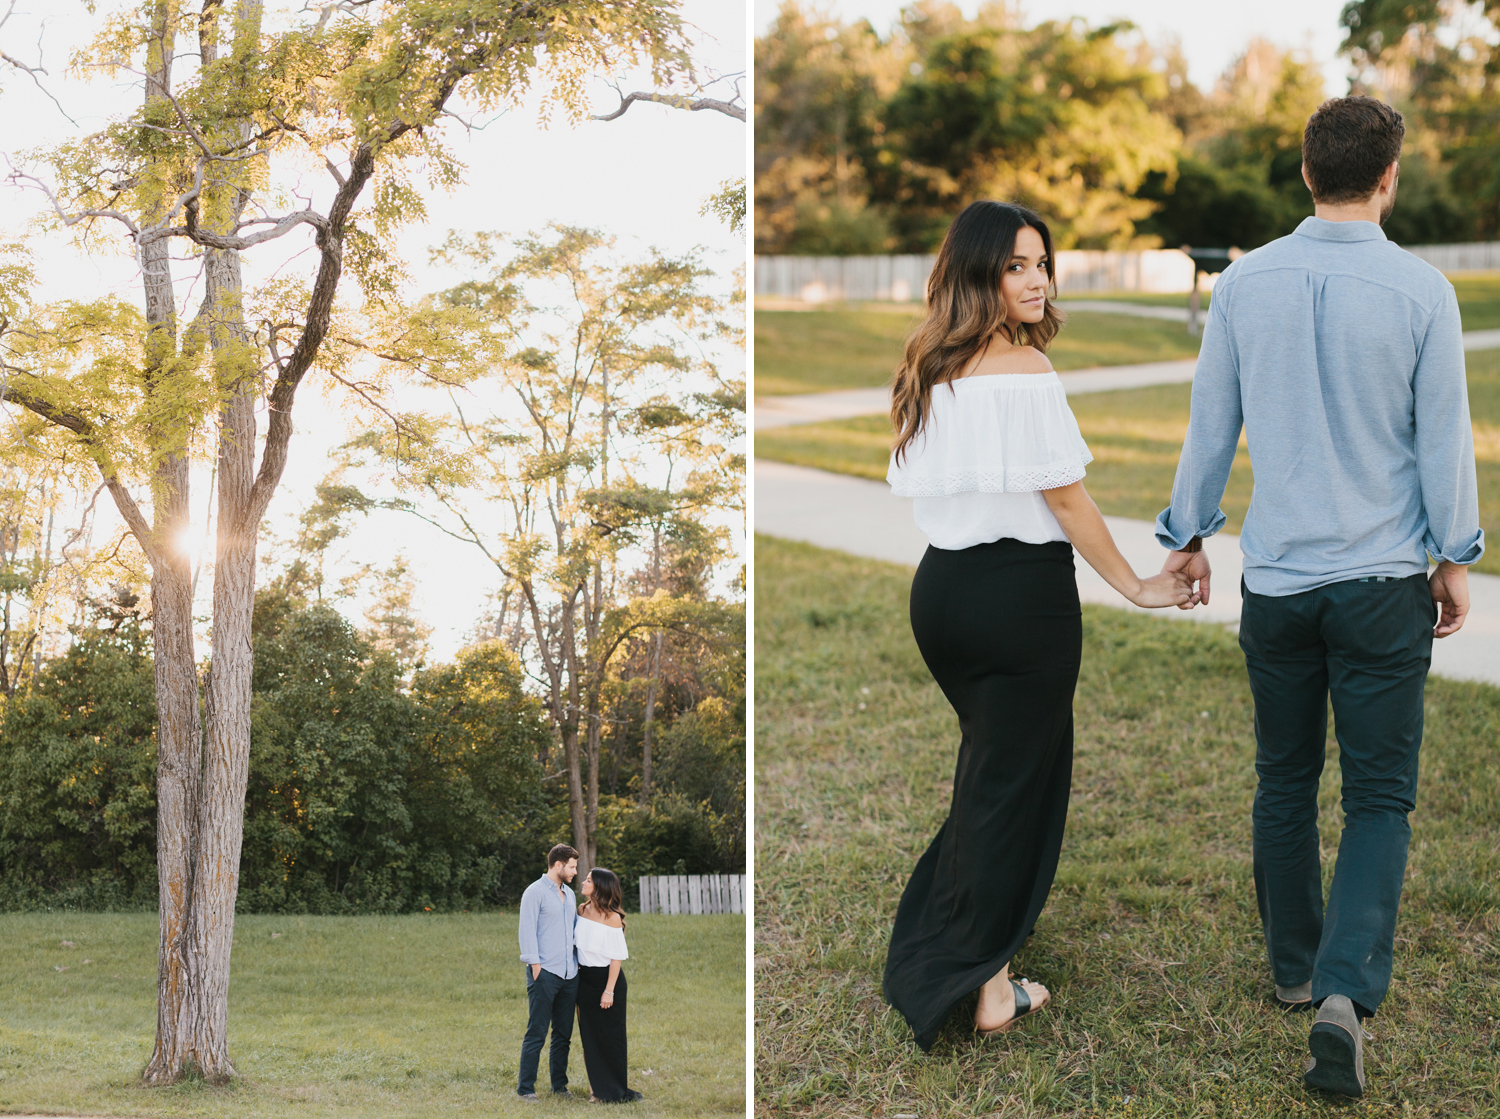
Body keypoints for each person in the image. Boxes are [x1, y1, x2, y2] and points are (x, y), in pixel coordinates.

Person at [1156, 95, 1481, 1099]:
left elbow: (1209, 424)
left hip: (1284, 585)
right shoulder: (1424, 291)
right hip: (1384, 584)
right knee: (1380, 795)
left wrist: (1188, 534)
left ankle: (1295, 968)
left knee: (1284, 778)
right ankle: (1345, 989)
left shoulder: (1246, 285)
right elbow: (1444, 441)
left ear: (1306, 172)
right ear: (1390, 177)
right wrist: (1455, 554)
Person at [882, 200, 1196, 1051]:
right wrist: (1136, 584)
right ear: (980, 271)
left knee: (992, 773)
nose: (1036, 279)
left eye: (1041, 263)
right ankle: (986, 983)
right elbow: (1065, 496)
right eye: (1016, 264)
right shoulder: (1024, 370)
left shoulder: (927, 364)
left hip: (942, 595)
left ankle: (969, 945)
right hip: (1019, 602)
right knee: (1012, 786)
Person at [517, 844, 581, 1101]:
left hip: (570, 975)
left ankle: (559, 1086)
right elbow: (527, 930)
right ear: (558, 864)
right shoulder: (534, 892)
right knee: (537, 1032)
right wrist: (535, 966)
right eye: (573, 867)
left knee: (563, 1034)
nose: (575, 872)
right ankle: (526, 1089)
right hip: (544, 974)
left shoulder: (569, 894)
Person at [575, 867, 642, 1103]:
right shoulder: (582, 910)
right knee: (589, 1037)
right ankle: (596, 1090)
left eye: (589, 880)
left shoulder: (612, 918)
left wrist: (608, 991)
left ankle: (612, 1089)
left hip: (608, 982)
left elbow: (616, 957)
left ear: (600, 887)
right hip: (584, 981)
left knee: (610, 1037)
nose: (583, 882)